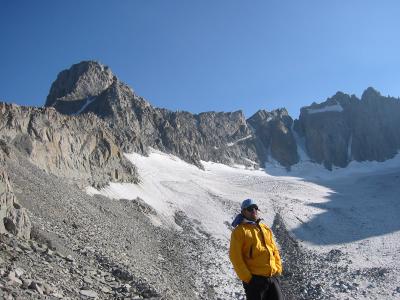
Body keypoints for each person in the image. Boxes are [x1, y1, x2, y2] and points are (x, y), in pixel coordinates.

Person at [229, 198, 284, 300]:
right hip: (255, 281)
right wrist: (249, 279)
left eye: (255, 208)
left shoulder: (265, 228)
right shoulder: (240, 231)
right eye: (250, 208)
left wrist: (278, 269)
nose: (254, 210)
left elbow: (274, 250)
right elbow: (235, 257)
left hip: (272, 277)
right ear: (243, 211)